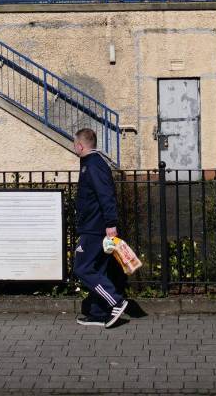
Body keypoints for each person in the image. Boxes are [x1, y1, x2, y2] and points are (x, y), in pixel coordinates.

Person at [72, 128, 128, 328]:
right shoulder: (90, 163)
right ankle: (99, 313)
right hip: (94, 226)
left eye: (74, 143)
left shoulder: (94, 164)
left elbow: (106, 194)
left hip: (95, 228)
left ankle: (116, 301)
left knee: (82, 267)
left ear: (80, 145)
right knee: (98, 269)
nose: (74, 147)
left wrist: (110, 223)